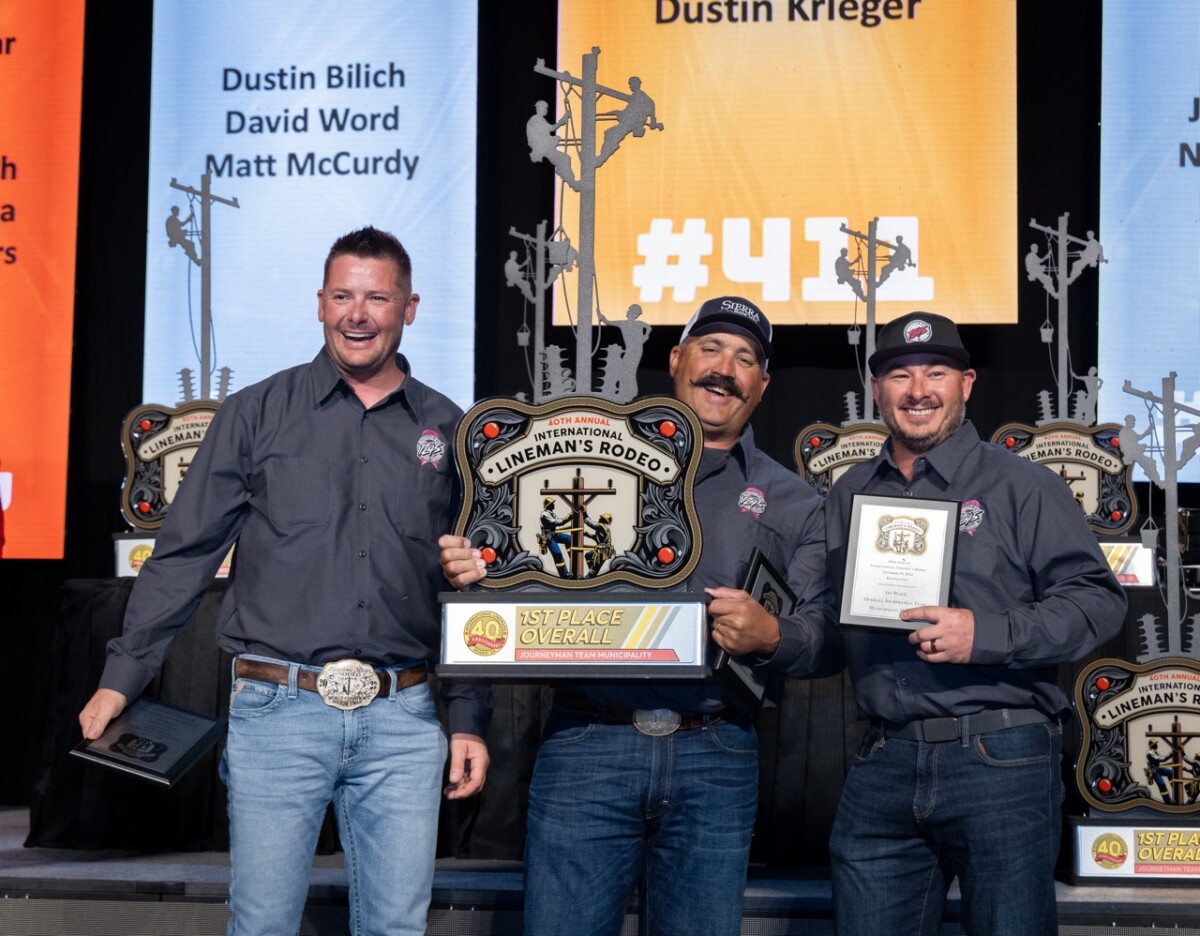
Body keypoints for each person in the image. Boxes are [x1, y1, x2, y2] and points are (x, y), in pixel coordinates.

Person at [78, 226, 492, 936]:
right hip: (278, 712)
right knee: (263, 925)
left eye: (377, 298)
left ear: (410, 308)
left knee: (396, 929)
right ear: (320, 303)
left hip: (405, 718)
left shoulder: (449, 428)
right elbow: (184, 553)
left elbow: (467, 590)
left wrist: (470, 716)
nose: (357, 314)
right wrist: (124, 675)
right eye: (342, 296)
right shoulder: (257, 412)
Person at [441, 295, 843, 936]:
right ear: (677, 360)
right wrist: (482, 564)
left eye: (745, 360)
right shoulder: (574, 457)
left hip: (717, 752)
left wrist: (774, 635)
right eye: (710, 349)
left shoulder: (794, 500)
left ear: (762, 387)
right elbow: (510, 583)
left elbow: (824, 635)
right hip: (586, 744)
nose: (724, 370)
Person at [824, 311, 1126, 936]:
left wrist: (982, 633)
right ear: (877, 389)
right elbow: (832, 617)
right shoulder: (849, 491)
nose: (918, 390)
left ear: (966, 383)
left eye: (936, 372)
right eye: (900, 375)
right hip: (883, 757)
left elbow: (1098, 601)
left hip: (1001, 755)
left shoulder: (1025, 485)